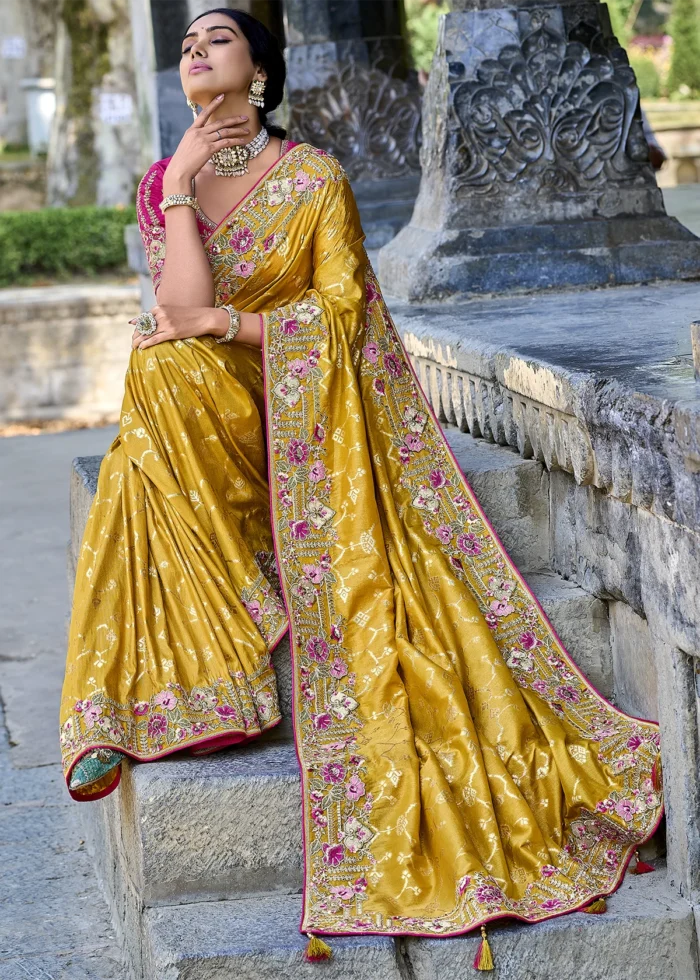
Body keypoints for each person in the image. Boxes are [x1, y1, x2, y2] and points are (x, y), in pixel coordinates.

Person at [59, 6, 664, 963]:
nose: (194, 52)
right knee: (156, 372)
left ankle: (215, 634)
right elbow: (174, 309)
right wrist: (178, 186)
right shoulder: (163, 182)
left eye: (216, 40)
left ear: (261, 71)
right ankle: (209, 658)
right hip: (203, 400)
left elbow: (341, 316)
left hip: (301, 400)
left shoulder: (312, 180)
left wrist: (228, 327)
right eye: (187, 44)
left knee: (163, 378)